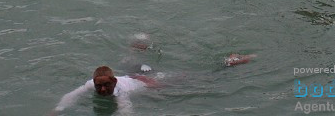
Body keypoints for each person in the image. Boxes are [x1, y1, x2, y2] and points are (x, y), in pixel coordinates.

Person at [51, 55, 255, 114]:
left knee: (201, 79)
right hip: (135, 76)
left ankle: (229, 63)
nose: (102, 90)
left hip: (154, 83)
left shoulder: (120, 92)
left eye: (106, 86)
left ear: (113, 81)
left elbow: (125, 109)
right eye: (99, 87)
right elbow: (72, 95)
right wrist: (57, 110)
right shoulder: (91, 84)